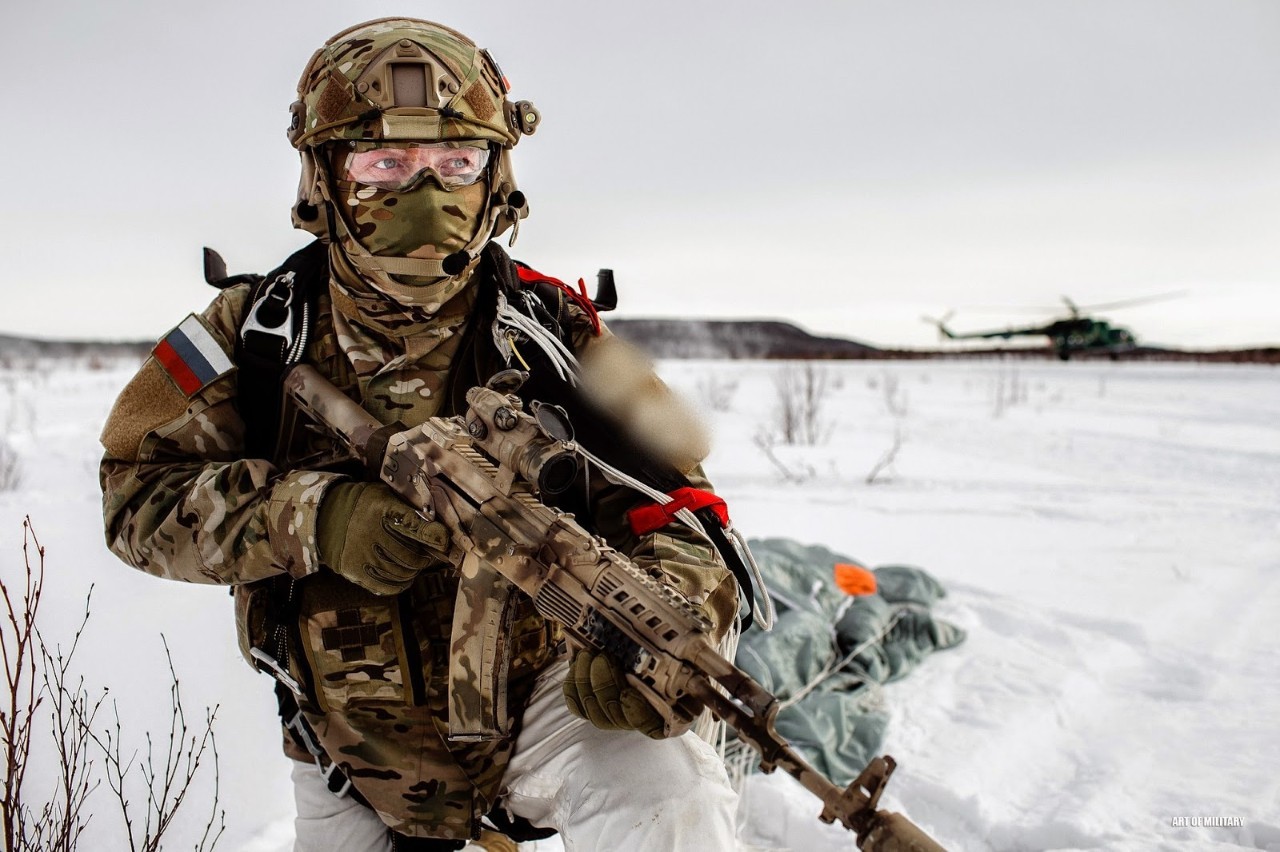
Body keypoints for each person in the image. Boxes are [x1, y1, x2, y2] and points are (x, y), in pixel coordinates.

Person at [98, 16, 744, 852]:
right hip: (347, 739)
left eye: (457, 162)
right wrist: (315, 517)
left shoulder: (554, 331)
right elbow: (132, 495)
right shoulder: (252, 332)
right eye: (385, 163)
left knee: (673, 797)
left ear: (495, 174)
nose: (426, 193)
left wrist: (665, 618)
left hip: (548, 699)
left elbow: (685, 508)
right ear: (325, 174)